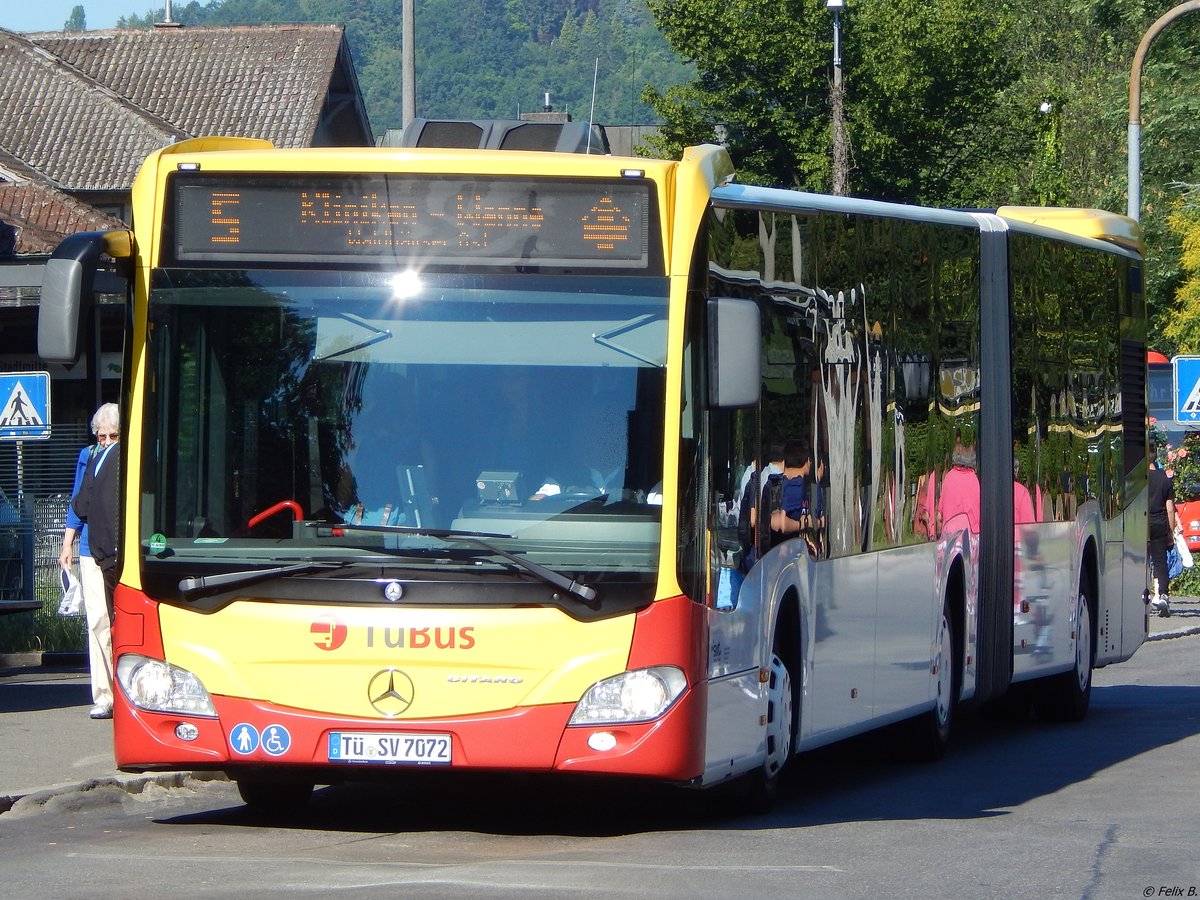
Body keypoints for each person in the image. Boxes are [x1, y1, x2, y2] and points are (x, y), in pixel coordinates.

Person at [59, 403, 120, 719]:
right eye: (101, 435)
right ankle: (104, 694)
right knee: (96, 619)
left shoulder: (123, 456)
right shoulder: (89, 456)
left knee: (116, 621)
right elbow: (77, 499)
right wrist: (67, 543)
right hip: (88, 547)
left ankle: (124, 691)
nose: (106, 441)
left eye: (113, 435)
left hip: (115, 548)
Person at [1148, 443, 1177, 618]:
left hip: (1140, 523)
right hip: (1159, 523)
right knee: (1160, 561)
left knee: (1138, 561)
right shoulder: (1164, 479)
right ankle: (1163, 595)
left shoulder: (1137, 479)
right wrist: (1170, 532)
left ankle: (1141, 596)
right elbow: (1170, 509)